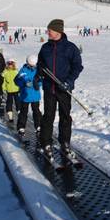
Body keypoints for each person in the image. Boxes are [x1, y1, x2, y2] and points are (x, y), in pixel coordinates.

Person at [38, 19, 83, 157]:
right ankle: (46, 142)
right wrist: (40, 70)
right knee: (48, 116)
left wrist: (68, 82)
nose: (47, 32)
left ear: (57, 31)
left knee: (65, 117)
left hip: (64, 89)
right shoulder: (45, 47)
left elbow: (77, 67)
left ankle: (65, 142)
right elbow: (40, 63)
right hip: (49, 88)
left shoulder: (70, 48)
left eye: (49, 30)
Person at [15, 54, 43, 136]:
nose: (32, 67)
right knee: (23, 112)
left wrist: (38, 84)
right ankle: (21, 127)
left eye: (33, 65)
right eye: (30, 65)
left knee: (36, 111)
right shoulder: (23, 70)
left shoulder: (38, 70)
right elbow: (17, 80)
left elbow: (41, 79)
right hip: (25, 96)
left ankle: (38, 126)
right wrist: (24, 83)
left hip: (35, 95)